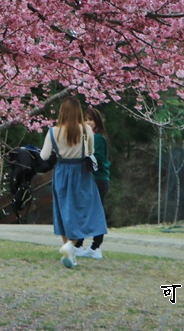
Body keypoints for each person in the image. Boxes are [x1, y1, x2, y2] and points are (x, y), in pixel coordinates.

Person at [39, 97, 107, 268]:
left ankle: (68, 248)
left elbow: (44, 156)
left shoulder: (53, 131)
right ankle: (70, 246)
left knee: (64, 211)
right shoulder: (86, 130)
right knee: (84, 210)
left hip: (62, 172)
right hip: (81, 173)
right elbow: (90, 152)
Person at [73, 107, 112, 259]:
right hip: (95, 180)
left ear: (97, 122)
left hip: (97, 180)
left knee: (89, 213)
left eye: (91, 119)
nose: (87, 122)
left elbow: (97, 160)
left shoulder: (98, 139)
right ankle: (87, 246)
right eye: (85, 119)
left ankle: (91, 246)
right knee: (90, 213)